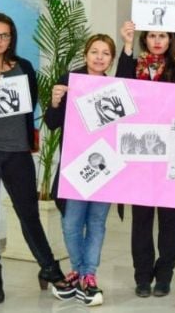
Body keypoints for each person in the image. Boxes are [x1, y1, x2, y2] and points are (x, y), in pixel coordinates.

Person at [0, 13, 67, 304]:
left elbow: (27, 107)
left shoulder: (25, 68)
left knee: (28, 213)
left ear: (11, 39)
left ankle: (49, 268)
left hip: (18, 152)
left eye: (5, 35)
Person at [115, 20, 175, 297]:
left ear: (170, 40)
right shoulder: (135, 65)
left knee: (170, 219)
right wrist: (126, 45)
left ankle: (164, 274)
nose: (157, 40)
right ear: (144, 39)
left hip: (171, 153)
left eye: (162, 35)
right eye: (152, 35)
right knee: (141, 219)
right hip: (140, 153)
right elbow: (120, 88)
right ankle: (142, 275)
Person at [46, 34, 117, 306]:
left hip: (105, 167)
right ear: (85, 54)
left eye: (106, 53)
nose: (99, 57)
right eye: (94, 51)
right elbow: (52, 123)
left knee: (97, 222)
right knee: (71, 223)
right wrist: (55, 101)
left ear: (111, 59)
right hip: (75, 167)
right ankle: (77, 269)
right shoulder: (69, 81)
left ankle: (88, 274)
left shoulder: (115, 88)